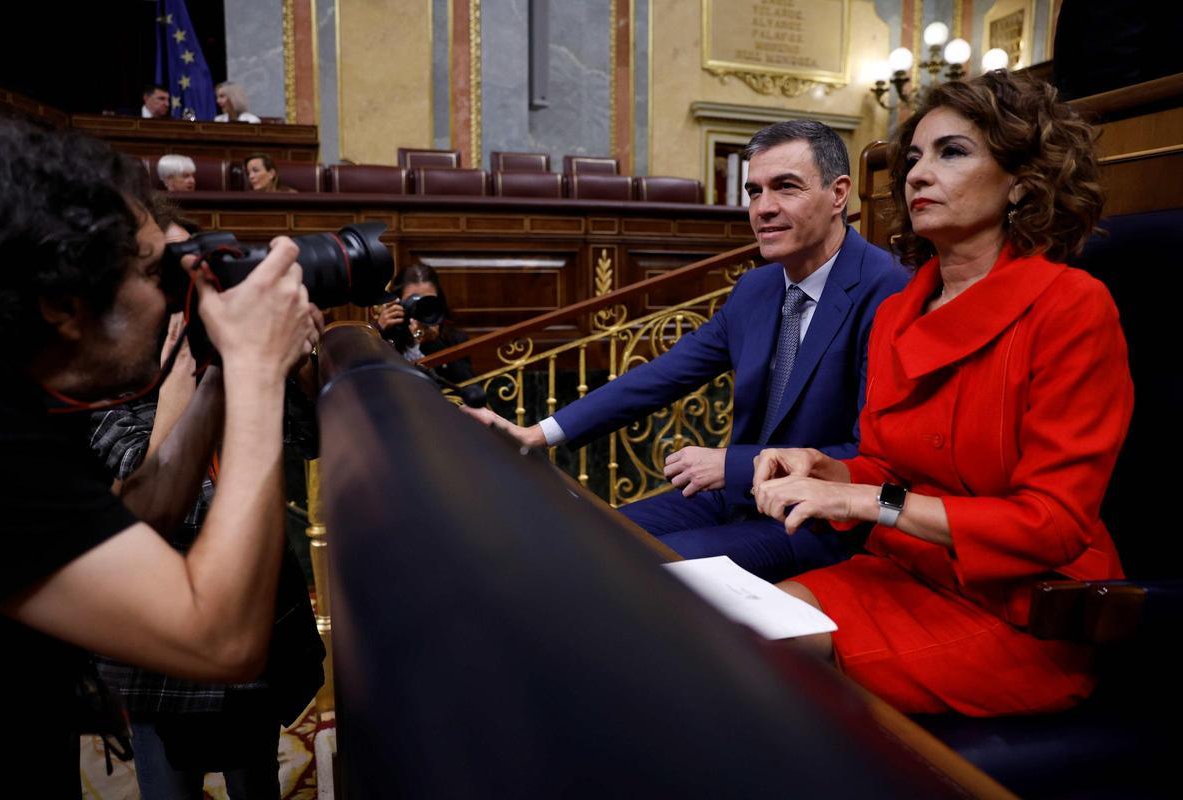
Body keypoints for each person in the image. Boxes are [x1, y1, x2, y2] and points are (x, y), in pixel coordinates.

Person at [751, 70, 1132, 716]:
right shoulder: (901, 309)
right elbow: (890, 468)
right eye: (915, 157)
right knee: (728, 634)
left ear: (1022, 179)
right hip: (901, 572)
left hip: (1026, 612)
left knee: (760, 668)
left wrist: (863, 497)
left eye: (952, 152)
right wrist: (827, 466)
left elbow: (1053, 524)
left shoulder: (1072, 306)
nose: (918, 174)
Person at [0, 118, 322, 794]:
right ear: (61, 302)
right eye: (149, 272)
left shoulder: (16, 393)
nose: (173, 292)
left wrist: (223, 373)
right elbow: (220, 641)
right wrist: (259, 369)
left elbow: (140, 516)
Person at [464, 120, 908, 581]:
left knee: (636, 572)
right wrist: (537, 433)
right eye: (754, 192)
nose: (763, 208)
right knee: (585, 538)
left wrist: (734, 465)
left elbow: (871, 455)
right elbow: (661, 376)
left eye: (786, 187)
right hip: (740, 497)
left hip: (821, 520)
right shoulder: (756, 288)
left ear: (839, 195)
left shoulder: (889, 289)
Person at [88, 208, 324, 798]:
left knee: (256, 784)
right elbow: (150, 509)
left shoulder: (232, 356)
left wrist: (289, 365)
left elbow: (310, 438)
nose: (188, 291)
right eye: (167, 273)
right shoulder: (103, 375)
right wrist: (191, 370)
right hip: (161, 658)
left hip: (262, 636)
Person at [375, 264, 474, 385]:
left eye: (428, 300)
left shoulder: (454, 338)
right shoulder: (389, 334)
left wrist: (434, 345)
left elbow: (469, 384)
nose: (421, 306)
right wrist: (378, 330)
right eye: (413, 300)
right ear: (398, 301)